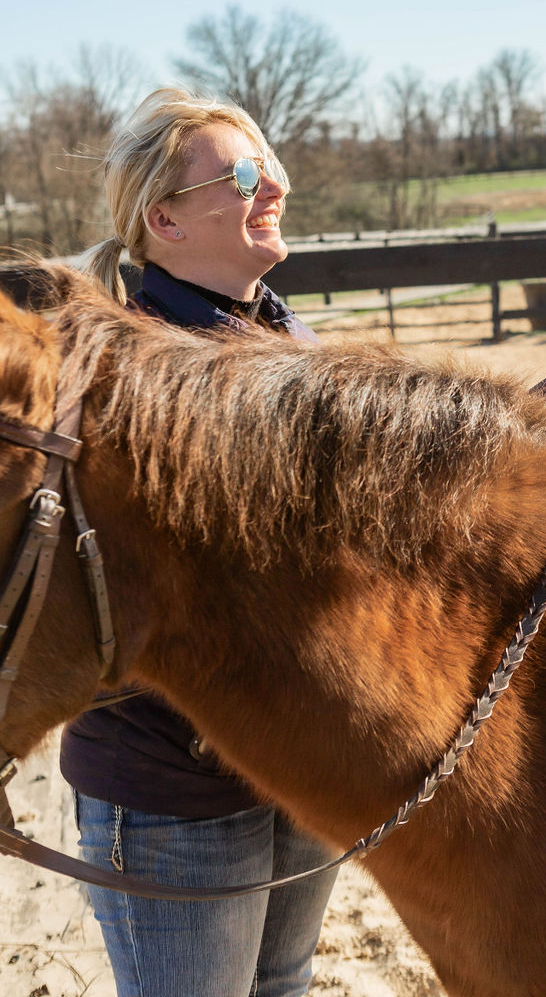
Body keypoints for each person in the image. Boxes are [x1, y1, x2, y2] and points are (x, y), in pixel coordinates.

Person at [61, 86, 338, 997]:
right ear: (164, 223)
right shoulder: (120, 373)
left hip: (298, 767)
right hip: (171, 789)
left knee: (284, 984)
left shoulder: (291, 344)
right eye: (244, 174)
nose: (275, 187)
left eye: (273, 165)